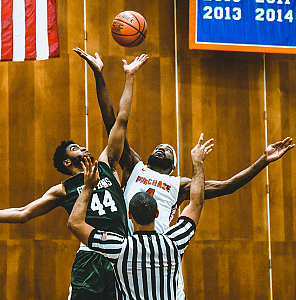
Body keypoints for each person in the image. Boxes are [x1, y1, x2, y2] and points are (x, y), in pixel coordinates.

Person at [73, 47, 295, 298]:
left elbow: (227, 185)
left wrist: (263, 161)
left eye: (167, 149)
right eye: (158, 147)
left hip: (162, 253)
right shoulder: (134, 166)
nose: (161, 148)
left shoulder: (179, 185)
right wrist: (98, 76)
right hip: (129, 248)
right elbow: (112, 122)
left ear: (173, 166)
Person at [0, 53, 149, 300]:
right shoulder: (63, 189)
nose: (83, 148)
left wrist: (124, 76)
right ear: (68, 162)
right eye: (75, 148)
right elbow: (23, 213)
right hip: (90, 259)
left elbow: (120, 119)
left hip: (120, 254)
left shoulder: (106, 163)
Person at [67, 133, 212, 300]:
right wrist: (197, 163)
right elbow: (196, 203)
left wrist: (88, 187)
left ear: (129, 214)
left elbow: (74, 223)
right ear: (157, 214)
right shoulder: (174, 241)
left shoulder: (119, 246)